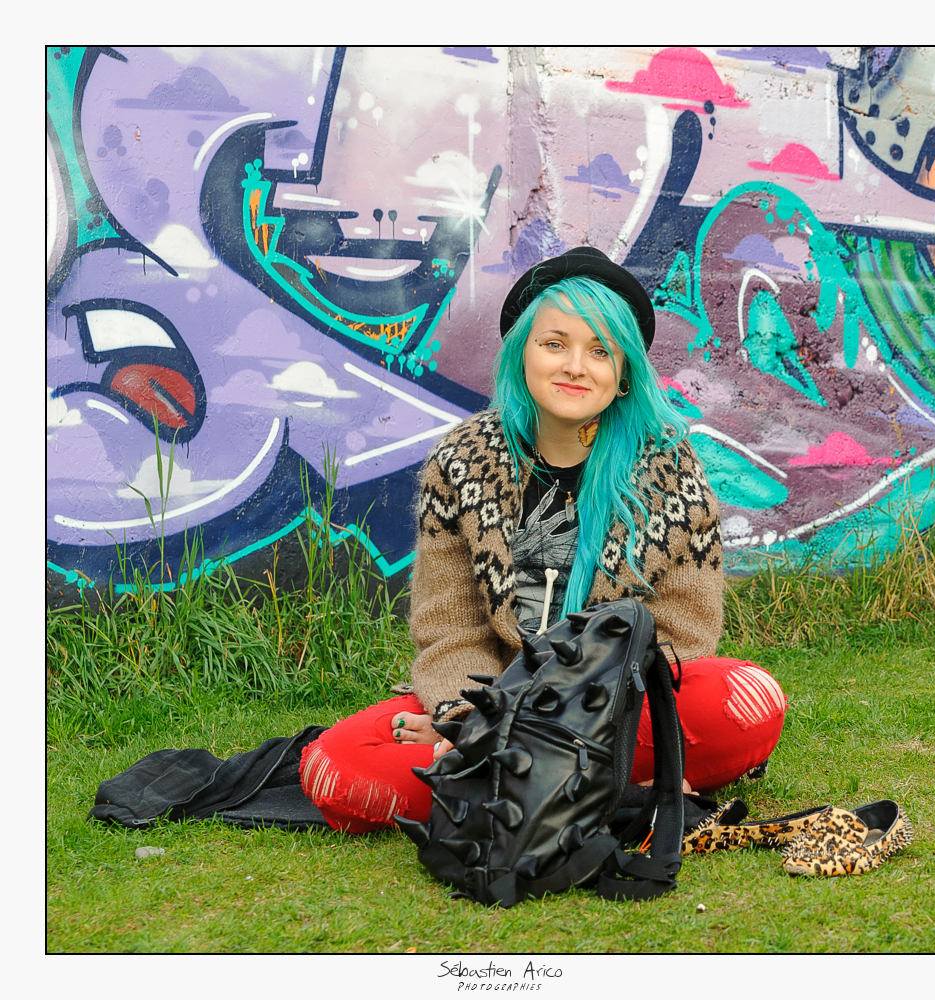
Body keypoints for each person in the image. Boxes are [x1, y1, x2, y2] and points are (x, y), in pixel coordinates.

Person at [300, 247, 786, 833]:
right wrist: (469, 718)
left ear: (624, 373)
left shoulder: (668, 469)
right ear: (522, 353)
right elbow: (451, 632)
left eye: (600, 351)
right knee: (336, 767)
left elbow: (682, 638)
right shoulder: (462, 461)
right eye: (555, 344)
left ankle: (505, 781)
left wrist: (527, 724)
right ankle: (598, 788)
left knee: (748, 698)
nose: (575, 367)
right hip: (487, 698)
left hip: (616, 705)